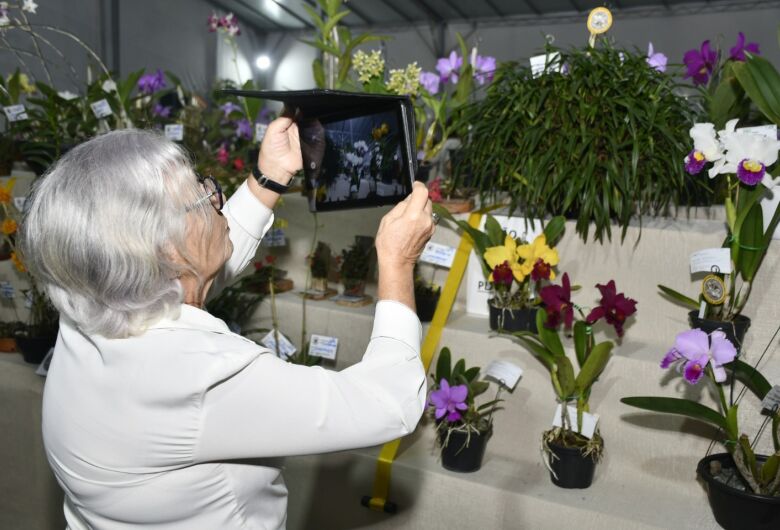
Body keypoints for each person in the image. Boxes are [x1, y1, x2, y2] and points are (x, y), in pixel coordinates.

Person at [19, 117, 435, 529]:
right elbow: (389, 404)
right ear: (164, 249)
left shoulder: (89, 304)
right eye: (202, 194)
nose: (215, 197)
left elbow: (191, 269)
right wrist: (397, 261)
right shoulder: (198, 375)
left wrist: (270, 175)